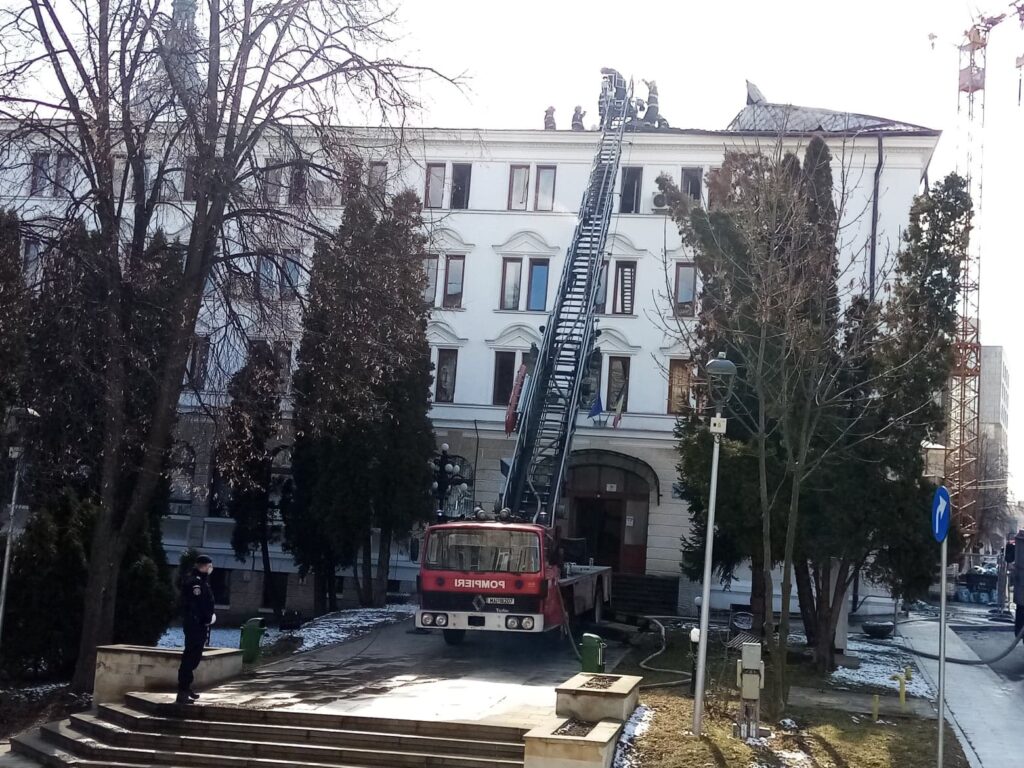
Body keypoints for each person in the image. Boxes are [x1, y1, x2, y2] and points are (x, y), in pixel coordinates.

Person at [176, 554, 216, 704]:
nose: (210, 569)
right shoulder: (195, 583)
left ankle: (186, 687)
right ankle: (182, 691)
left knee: (195, 657)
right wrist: (205, 618)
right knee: (190, 657)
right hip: (195, 624)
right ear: (203, 566)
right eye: (209, 566)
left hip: (200, 625)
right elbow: (197, 604)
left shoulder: (202, 581)